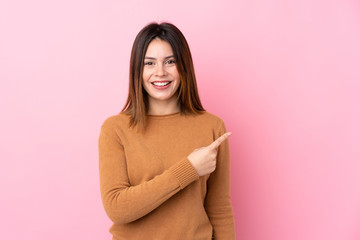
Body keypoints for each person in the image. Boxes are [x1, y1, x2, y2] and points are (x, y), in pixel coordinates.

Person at [98, 22, 235, 240]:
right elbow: (117, 208)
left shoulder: (212, 127)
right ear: (137, 70)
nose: (160, 72)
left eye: (170, 62)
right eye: (149, 63)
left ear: (184, 67)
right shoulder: (115, 129)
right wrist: (189, 169)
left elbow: (220, 209)